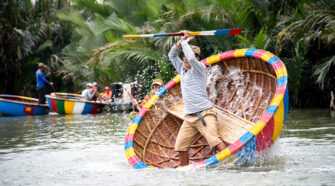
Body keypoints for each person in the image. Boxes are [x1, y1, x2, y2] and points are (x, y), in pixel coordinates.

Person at [168, 30, 227, 167]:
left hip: (205, 113)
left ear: (197, 58)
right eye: (184, 57)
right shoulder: (182, 69)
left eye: (189, 57)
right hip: (189, 117)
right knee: (180, 146)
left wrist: (184, 41)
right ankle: (185, 170)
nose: (186, 59)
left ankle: (230, 164)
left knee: (214, 140)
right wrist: (179, 43)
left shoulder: (199, 68)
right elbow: (171, 55)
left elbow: (192, 58)